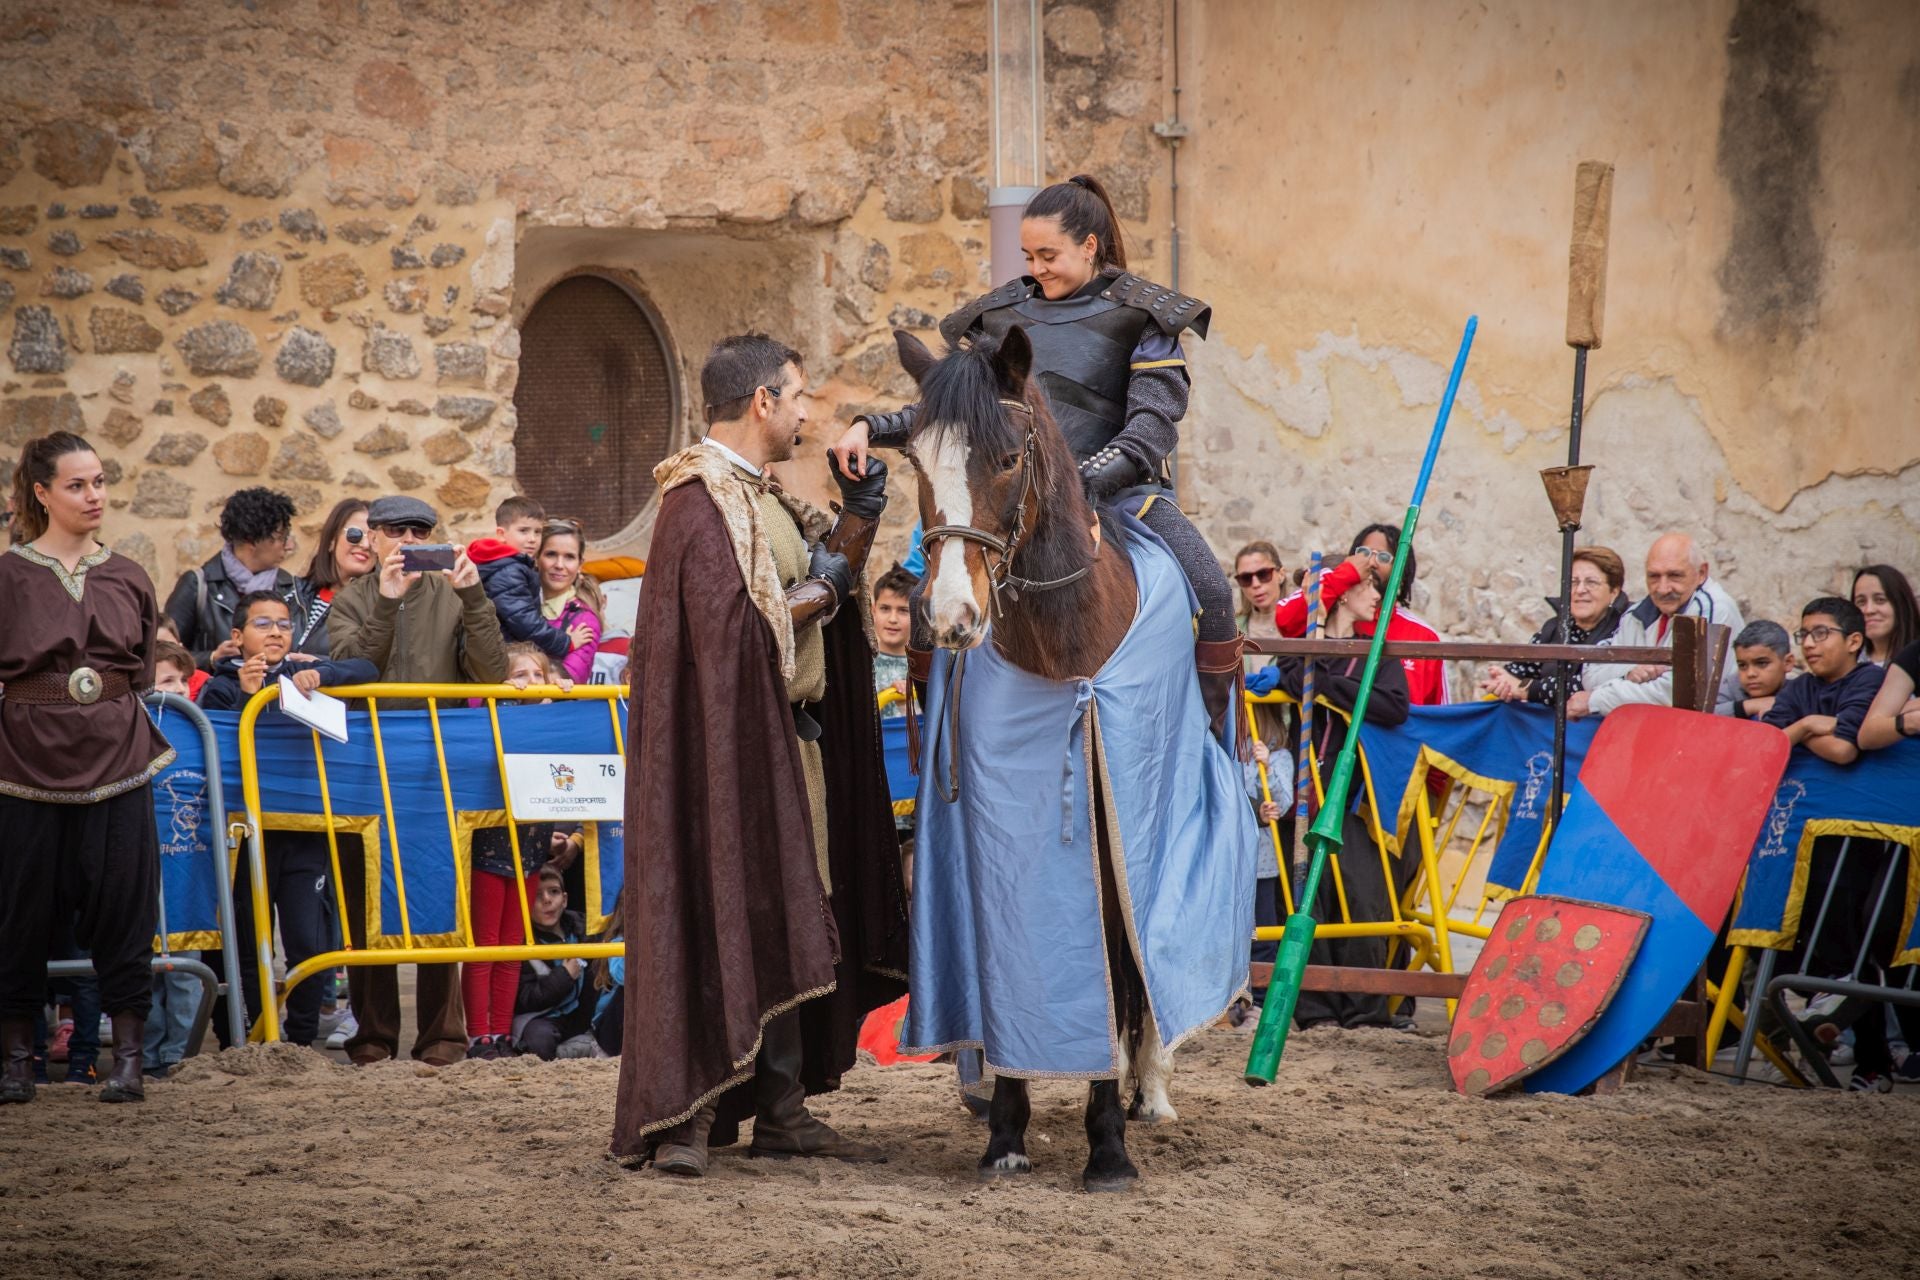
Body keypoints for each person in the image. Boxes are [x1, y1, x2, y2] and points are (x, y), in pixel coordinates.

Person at [610, 334, 907, 1176]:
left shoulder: (761, 499)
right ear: (761, 402)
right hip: (721, 756)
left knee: (790, 913)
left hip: (786, 749)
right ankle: (688, 1119)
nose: (810, 411)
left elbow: (805, 584)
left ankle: (781, 1107)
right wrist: (827, 590)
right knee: (720, 908)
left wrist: (861, 519)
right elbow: (737, 628)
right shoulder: (698, 502)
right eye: (799, 394)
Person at [829, 175, 1244, 727]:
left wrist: (1089, 478)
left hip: (1123, 492)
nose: (1036, 268)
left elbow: (1152, 423)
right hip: (1010, 496)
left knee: (1213, 593)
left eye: (1048, 255)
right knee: (930, 609)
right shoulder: (1000, 319)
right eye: (1028, 256)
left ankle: (1215, 737)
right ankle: (938, 743)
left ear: (1090, 246)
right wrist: (868, 426)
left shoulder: (1147, 317)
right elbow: (956, 413)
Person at [2, 431, 175, 1104]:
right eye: (77, 485)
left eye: (99, 481)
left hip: (117, 753)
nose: (94, 495)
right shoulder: (9, 576)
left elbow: (133, 665)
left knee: (123, 907)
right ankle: (17, 1061)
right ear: (42, 493)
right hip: (23, 757)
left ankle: (127, 1057)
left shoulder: (128, 574)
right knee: (17, 909)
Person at [329, 494, 508, 1067]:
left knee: (440, 896)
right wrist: (385, 601)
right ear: (372, 538)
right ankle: (373, 1035)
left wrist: (474, 594)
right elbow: (353, 666)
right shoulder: (350, 599)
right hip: (365, 768)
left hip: (437, 768)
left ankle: (442, 1038)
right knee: (363, 903)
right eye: (395, 530)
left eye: (419, 530)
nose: (407, 539)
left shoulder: (455, 594)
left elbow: (492, 671)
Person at [198, 591, 376, 1046]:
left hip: (303, 830)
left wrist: (322, 669)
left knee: (308, 939)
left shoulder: (300, 674)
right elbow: (213, 748)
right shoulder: (221, 685)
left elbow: (367, 671)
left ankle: (300, 1041)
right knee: (245, 941)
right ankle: (253, 1035)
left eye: (283, 623)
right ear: (237, 637)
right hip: (245, 833)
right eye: (262, 623)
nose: (276, 631)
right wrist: (245, 697)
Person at [1764, 598, 1902, 1091]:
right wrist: (1807, 727)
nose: (1807, 643)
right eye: (1802, 634)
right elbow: (1769, 744)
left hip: (1860, 836)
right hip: (1801, 838)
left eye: (1820, 633)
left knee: (1855, 942)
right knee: (1809, 944)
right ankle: (1809, 1050)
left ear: (1853, 641)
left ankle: (1874, 1063)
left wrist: (1800, 730)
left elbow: (1846, 749)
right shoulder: (1800, 687)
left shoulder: (1870, 682)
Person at [1272, 570, 1410, 1029]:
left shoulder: (1378, 652)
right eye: (1371, 588)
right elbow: (1291, 679)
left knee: (1359, 895)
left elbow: (1392, 706)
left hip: (1354, 797)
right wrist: (1319, 675)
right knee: (1308, 895)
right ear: (1343, 595)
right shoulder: (1302, 651)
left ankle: (1364, 1008)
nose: (1378, 597)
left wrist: (1331, 686)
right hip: (1308, 793)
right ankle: (1314, 1009)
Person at [462, 641, 564, 1060]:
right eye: (520, 675)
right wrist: (497, 694)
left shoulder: (551, 720)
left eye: (537, 675)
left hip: (530, 846)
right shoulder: (489, 714)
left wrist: (561, 689)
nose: (531, 683)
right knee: (485, 945)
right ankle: (478, 1036)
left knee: (514, 946)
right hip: (490, 844)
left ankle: (501, 1034)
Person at [1570, 532, 1744, 717]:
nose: (1662, 588)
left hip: (1704, 731)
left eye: (1674, 576)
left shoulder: (1712, 608)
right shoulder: (1637, 614)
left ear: (1701, 573)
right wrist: (1628, 671)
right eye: (1654, 576)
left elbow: (1680, 692)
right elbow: (1590, 673)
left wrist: (1597, 700)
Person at [1275, 523, 1449, 706]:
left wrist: (1330, 685)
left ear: (1401, 570)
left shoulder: (1424, 636)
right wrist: (1345, 576)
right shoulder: (1331, 616)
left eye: (1383, 557)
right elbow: (1286, 619)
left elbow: (1435, 711)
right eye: (1364, 553)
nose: (1372, 562)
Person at [164, 486, 308, 670]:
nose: (288, 546)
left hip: (273, 694)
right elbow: (163, 652)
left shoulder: (292, 589)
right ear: (251, 539)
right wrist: (212, 658)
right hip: (215, 695)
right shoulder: (198, 585)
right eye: (282, 537)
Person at [1482, 545, 1631, 704]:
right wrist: (1503, 682)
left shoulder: (1627, 628)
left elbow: (1596, 684)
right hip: (1546, 725)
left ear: (1614, 592)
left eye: (1591, 582)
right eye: (1573, 582)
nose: (1580, 590)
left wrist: (1528, 689)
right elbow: (1520, 671)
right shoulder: (1554, 628)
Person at [467, 496, 572, 671]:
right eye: (524, 531)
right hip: (506, 656)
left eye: (537, 532)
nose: (532, 539)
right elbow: (524, 621)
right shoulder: (508, 570)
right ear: (501, 534)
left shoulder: (512, 564)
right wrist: (565, 642)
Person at [512, 865, 593, 1061]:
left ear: (564, 900)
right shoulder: (521, 940)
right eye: (536, 894)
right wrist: (564, 976)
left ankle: (581, 1045)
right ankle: (571, 1050)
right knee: (538, 1042)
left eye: (554, 892)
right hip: (540, 1017)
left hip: (579, 1015)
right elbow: (523, 999)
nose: (547, 900)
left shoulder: (583, 929)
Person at [298, 498, 374, 658]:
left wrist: (323, 667)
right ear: (332, 538)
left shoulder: (380, 608)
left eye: (374, 539)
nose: (365, 545)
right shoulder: (292, 594)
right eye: (355, 534)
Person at [536, 519, 604, 686]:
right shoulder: (516, 605)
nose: (559, 565)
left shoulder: (584, 620)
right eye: (551, 554)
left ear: (580, 564)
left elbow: (570, 678)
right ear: (537, 557)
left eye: (569, 557)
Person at [1723, 620, 1795, 719]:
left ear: (1787, 662)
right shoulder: (1731, 687)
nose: (1750, 674)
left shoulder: (1801, 693)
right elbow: (1701, 715)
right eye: (1742, 665)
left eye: (1762, 663)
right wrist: (1747, 706)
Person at [1850, 564, 1919, 668]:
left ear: (1901, 604)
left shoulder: (1916, 659)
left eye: (1880, 600)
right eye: (1861, 602)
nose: (1869, 610)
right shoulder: (1848, 664)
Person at [870, 565, 916, 715]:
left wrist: (905, 704)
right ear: (873, 610)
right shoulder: (862, 666)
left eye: (903, 610)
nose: (892, 619)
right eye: (885, 608)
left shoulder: (926, 670)